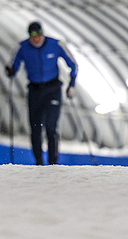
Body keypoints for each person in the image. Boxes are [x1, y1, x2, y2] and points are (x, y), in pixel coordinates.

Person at [5, 22, 78, 165]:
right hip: (35, 91)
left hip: (53, 89)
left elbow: (73, 65)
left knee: (51, 127)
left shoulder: (56, 45)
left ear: (42, 34)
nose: (36, 39)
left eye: (38, 35)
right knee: (36, 129)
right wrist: (10, 70)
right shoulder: (23, 47)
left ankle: (53, 163)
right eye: (32, 36)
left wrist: (72, 85)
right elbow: (13, 65)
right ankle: (39, 162)